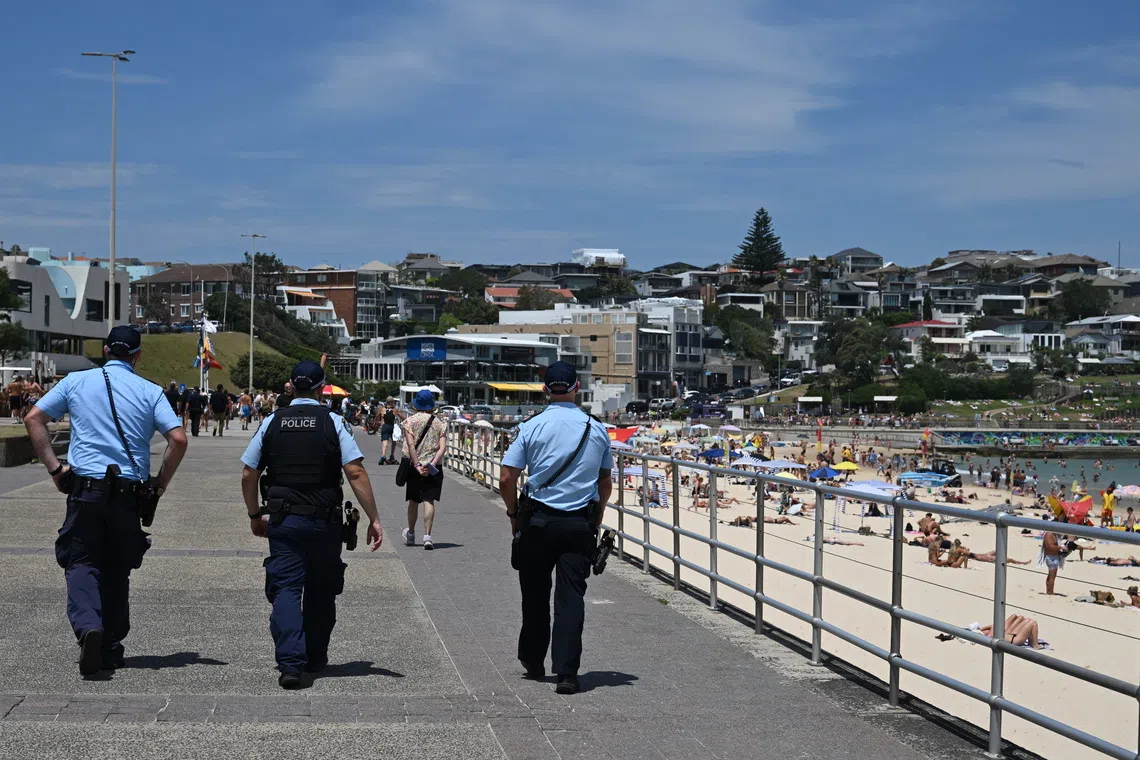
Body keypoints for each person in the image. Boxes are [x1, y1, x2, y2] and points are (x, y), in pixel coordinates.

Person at [24, 326, 188, 675]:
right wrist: (159, 485)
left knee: (81, 561)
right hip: (128, 494)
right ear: (138, 355)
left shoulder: (76, 381)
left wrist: (55, 469)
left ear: (105, 349)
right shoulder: (150, 391)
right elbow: (178, 439)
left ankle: (89, 628)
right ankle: (111, 644)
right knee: (118, 568)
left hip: (85, 490)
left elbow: (33, 419)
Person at [240, 360, 383, 689]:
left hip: (284, 520)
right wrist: (373, 518)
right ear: (322, 389)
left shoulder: (273, 421)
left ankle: (291, 663)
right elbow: (356, 472)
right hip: (324, 522)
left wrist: (253, 514)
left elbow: (249, 472)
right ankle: (315, 656)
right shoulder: (334, 422)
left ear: (291, 386)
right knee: (321, 590)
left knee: (287, 590)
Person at [500, 361, 613, 695]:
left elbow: (508, 476)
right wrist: (598, 515)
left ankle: (533, 661)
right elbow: (605, 482)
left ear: (545, 389)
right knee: (571, 599)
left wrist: (512, 513)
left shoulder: (531, 426)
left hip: (536, 521)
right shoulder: (597, 428)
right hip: (579, 522)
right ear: (577, 388)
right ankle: (566, 672)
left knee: (534, 593)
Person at [400, 390, 447, 550]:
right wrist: (431, 464)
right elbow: (442, 449)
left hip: (415, 466)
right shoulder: (439, 423)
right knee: (429, 500)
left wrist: (418, 465)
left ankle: (411, 533)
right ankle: (427, 536)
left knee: (413, 501)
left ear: (416, 404)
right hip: (433, 468)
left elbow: (411, 446)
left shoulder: (409, 422)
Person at [971, 615, 1044, 649]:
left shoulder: (985, 632)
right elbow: (993, 629)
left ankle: (1031, 641)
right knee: (1033, 623)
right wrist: (985, 629)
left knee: (1018, 617)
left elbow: (993, 626)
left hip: (1009, 635)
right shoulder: (989, 635)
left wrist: (982, 629)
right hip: (1014, 640)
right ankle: (1035, 645)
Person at [1042, 515, 1067, 595]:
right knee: (1052, 576)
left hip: (1053, 557)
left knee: (1051, 575)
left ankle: (1048, 591)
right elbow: (1050, 547)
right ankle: (1050, 592)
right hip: (1051, 558)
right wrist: (1061, 547)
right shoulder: (1049, 534)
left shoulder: (1054, 534)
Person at [378, 397, 403, 465]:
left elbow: (378, 418)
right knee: (394, 441)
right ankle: (392, 455)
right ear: (392, 402)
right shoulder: (395, 410)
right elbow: (403, 417)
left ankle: (383, 455)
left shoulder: (382, 409)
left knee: (385, 441)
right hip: (392, 426)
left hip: (385, 426)